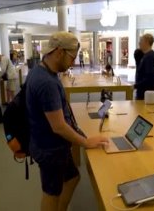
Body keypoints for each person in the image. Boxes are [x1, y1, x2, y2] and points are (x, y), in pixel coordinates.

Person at [25, 32, 108, 211]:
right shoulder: (46, 82)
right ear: (59, 52)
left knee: (71, 178)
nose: (74, 62)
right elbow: (59, 126)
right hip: (49, 148)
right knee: (51, 192)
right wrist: (85, 142)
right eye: (73, 57)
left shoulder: (42, 71)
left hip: (48, 143)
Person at [134, 34, 154, 100]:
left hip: (146, 93)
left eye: (141, 41)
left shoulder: (149, 57)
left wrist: (135, 86)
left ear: (147, 42)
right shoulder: (147, 56)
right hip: (144, 91)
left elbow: (149, 78)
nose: (139, 43)